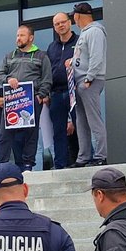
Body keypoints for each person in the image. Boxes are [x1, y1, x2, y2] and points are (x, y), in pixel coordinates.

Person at [0, 24, 52, 171]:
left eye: (22, 35)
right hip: (12, 99)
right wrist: (8, 79)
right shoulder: (9, 56)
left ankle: (28, 165)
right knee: (5, 133)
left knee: (31, 134)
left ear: (31, 38)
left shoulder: (41, 55)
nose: (18, 38)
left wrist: (40, 96)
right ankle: (1, 164)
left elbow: (47, 78)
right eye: (17, 36)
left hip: (32, 98)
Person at [69, 3, 108, 167]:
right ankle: (83, 157)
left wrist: (89, 78)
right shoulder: (85, 33)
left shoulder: (95, 32)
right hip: (79, 81)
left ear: (78, 16)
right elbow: (83, 57)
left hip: (89, 80)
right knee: (81, 122)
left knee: (94, 120)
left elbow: (96, 56)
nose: (74, 19)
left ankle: (100, 156)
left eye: (74, 16)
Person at [46, 13, 79, 170]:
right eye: (57, 24)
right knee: (58, 130)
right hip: (56, 93)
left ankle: (85, 159)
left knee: (81, 126)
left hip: (75, 91)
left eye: (63, 22)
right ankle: (60, 164)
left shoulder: (80, 42)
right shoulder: (52, 47)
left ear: (70, 22)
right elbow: (47, 71)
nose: (60, 25)